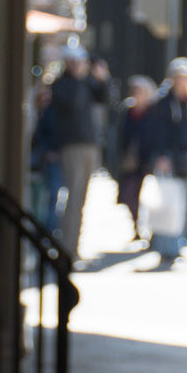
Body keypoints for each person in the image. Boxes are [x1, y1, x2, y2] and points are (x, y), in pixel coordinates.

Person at [49, 44, 110, 256]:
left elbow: (104, 98)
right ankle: (67, 247)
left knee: (81, 199)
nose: (81, 66)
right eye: (77, 63)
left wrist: (101, 78)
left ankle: (73, 246)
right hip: (71, 146)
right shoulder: (62, 85)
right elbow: (73, 103)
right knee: (73, 198)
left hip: (89, 145)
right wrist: (81, 77)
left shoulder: (85, 83)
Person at [142, 58, 187, 264]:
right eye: (179, 78)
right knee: (166, 203)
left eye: (186, 78)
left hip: (186, 160)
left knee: (183, 204)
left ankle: (177, 246)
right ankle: (165, 247)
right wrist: (162, 155)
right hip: (168, 159)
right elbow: (157, 132)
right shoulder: (163, 102)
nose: (183, 82)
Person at [116, 76, 156, 239]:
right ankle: (136, 226)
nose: (137, 95)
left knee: (147, 197)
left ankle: (148, 230)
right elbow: (121, 136)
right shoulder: (127, 111)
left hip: (148, 160)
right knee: (129, 195)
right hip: (131, 161)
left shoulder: (153, 112)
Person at [29, 82, 63, 232]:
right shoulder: (40, 114)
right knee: (45, 194)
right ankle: (45, 228)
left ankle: (50, 228)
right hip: (43, 161)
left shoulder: (53, 112)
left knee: (53, 195)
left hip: (52, 158)